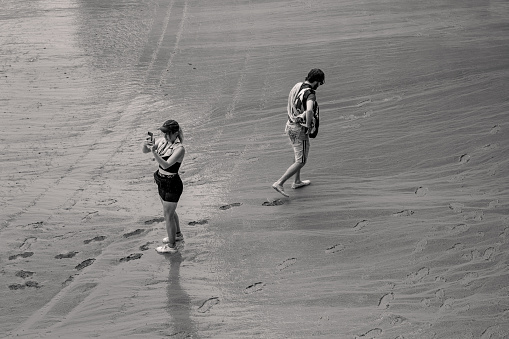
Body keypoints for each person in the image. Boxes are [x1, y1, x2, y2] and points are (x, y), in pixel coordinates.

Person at [272, 68, 325, 197]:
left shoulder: (297, 86)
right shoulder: (310, 94)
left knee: (298, 154)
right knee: (301, 161)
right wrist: (308, 125)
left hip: (290, 125)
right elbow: (310, 110)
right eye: (320, 83)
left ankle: (297, 181)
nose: (319, 86)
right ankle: (279, 183)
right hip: (298, 128)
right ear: (316, 81)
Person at [142, 119, 185, 253]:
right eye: (164, 133)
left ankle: (172, 247)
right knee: (170, 213)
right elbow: (145, 151)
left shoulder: (179, 149)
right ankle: (177, 235)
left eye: (168, 134)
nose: (165, 136)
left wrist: (154, 153)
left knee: (168, 215)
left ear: (175, 133)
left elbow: (167, 165)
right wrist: (145, 145)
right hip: (161, 180)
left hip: (172, 183)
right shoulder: (162, 141)